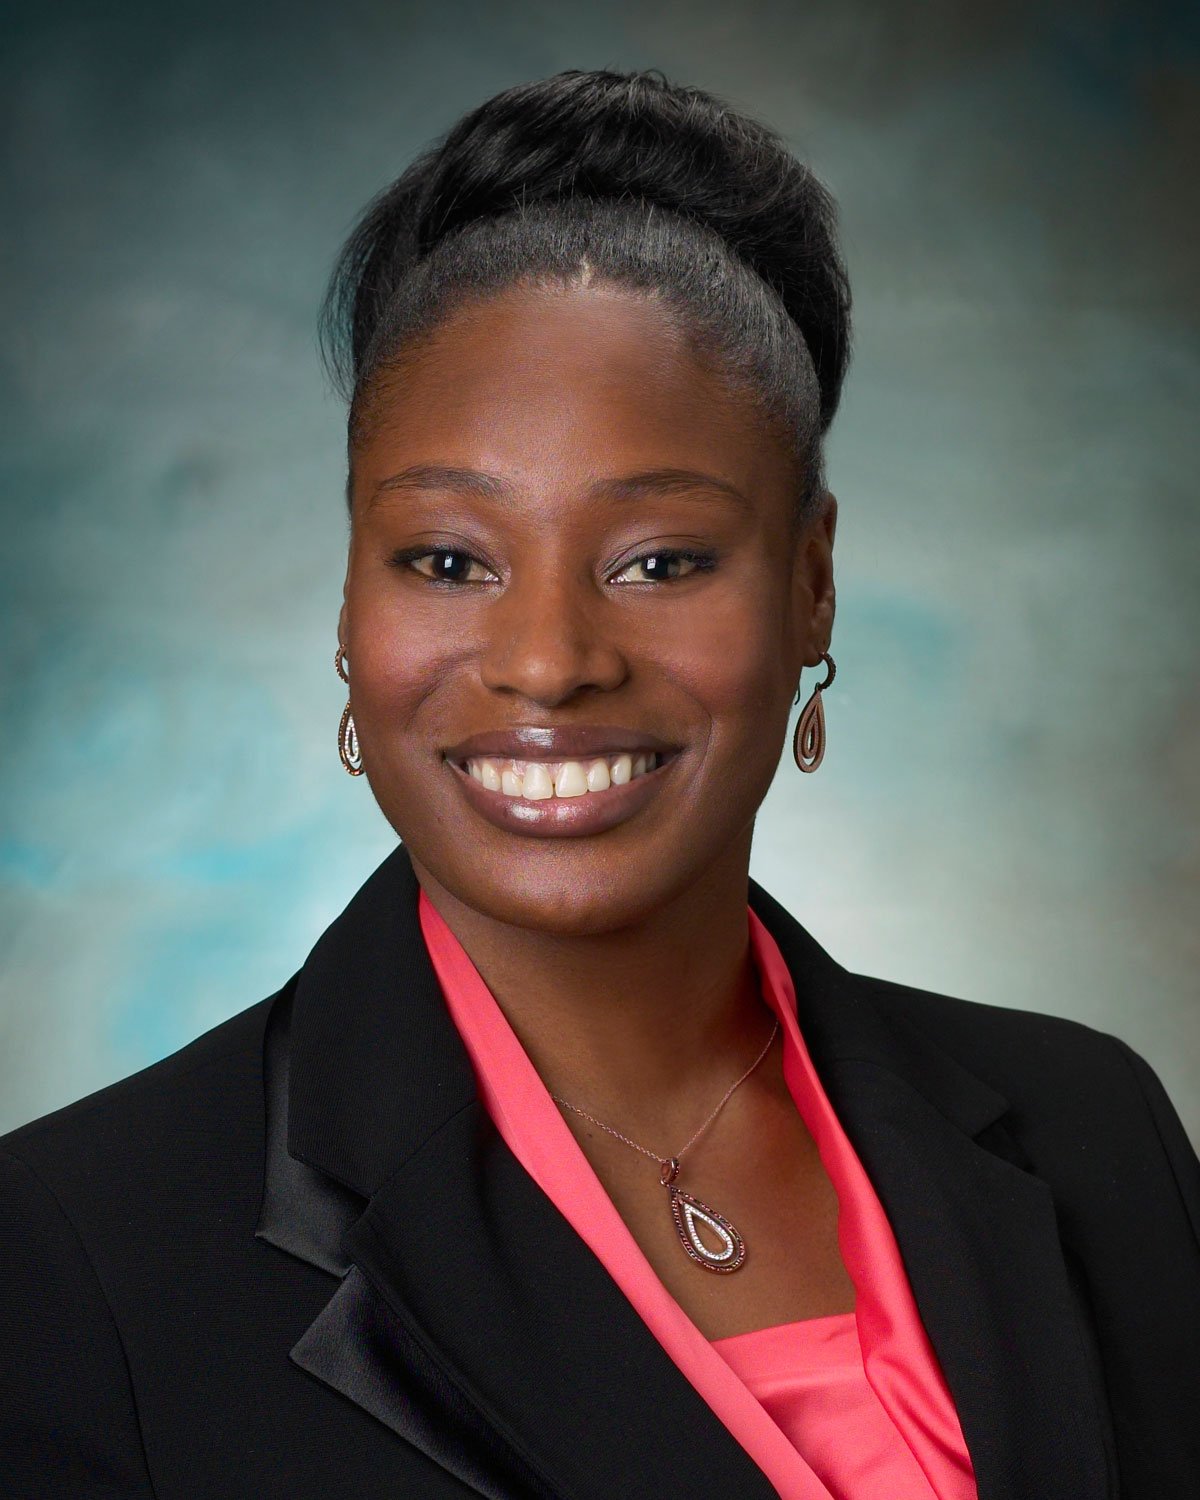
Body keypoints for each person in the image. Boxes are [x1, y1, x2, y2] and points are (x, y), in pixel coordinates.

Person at [1, 67, 1197, 1500]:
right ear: (349, 602)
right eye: (449, 560)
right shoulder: (74, 1254)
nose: (549, 663)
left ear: (811, 584)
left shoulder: (1096, 1130)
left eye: (659, 561)